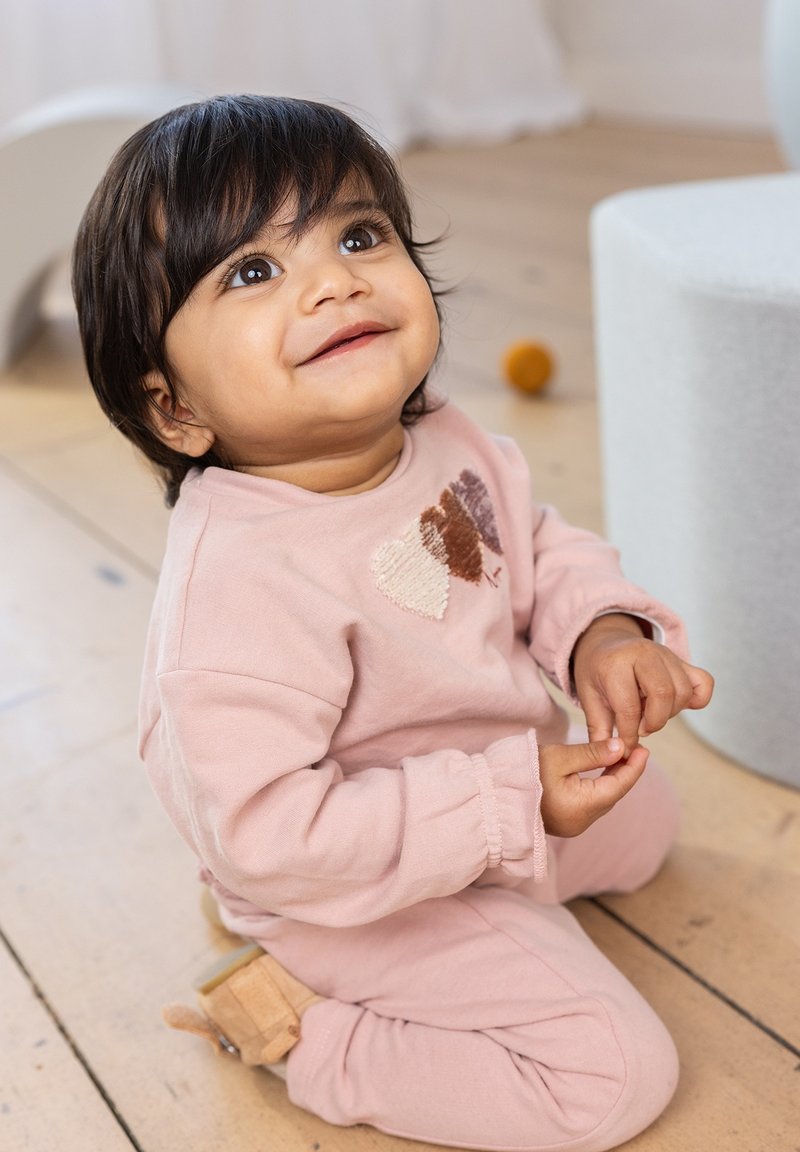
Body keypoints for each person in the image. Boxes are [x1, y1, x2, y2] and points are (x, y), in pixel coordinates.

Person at [72, 94, 713, 1152]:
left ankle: (507, 895)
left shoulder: (446, 436)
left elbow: (534, 547)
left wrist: (600, 632)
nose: (335, 280)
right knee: (608, 1076)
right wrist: (508, 800)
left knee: (649, 825)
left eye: (358, 235)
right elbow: (275, 837)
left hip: (489, 794)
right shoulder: (236, 592)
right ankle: (302, 1026)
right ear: (175, 408)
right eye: (250, 272)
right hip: (346, 883)